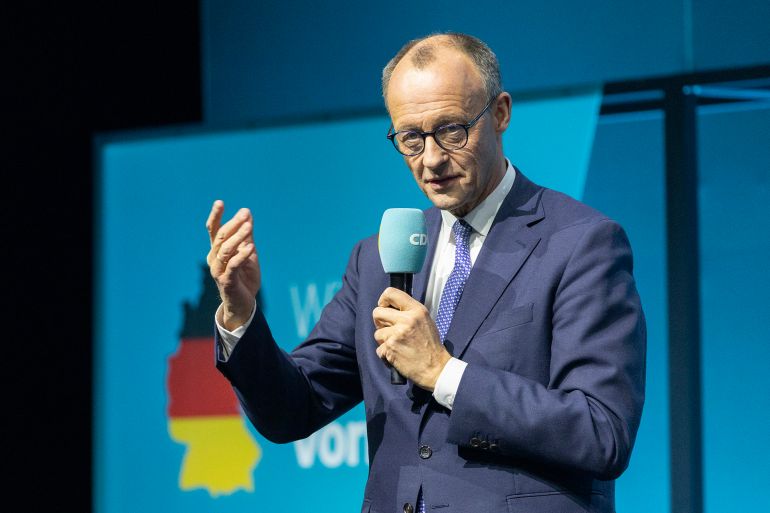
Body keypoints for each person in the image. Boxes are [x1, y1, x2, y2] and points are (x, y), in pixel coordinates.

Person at [205, 32, 646, 513]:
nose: (431, 159)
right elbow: (293, 409)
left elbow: (602, 432)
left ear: (499, 114)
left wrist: (444, 373)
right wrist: (240, 314)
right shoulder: (374, 259)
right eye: (411, 139)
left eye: (452, 131)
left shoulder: (580, 242)